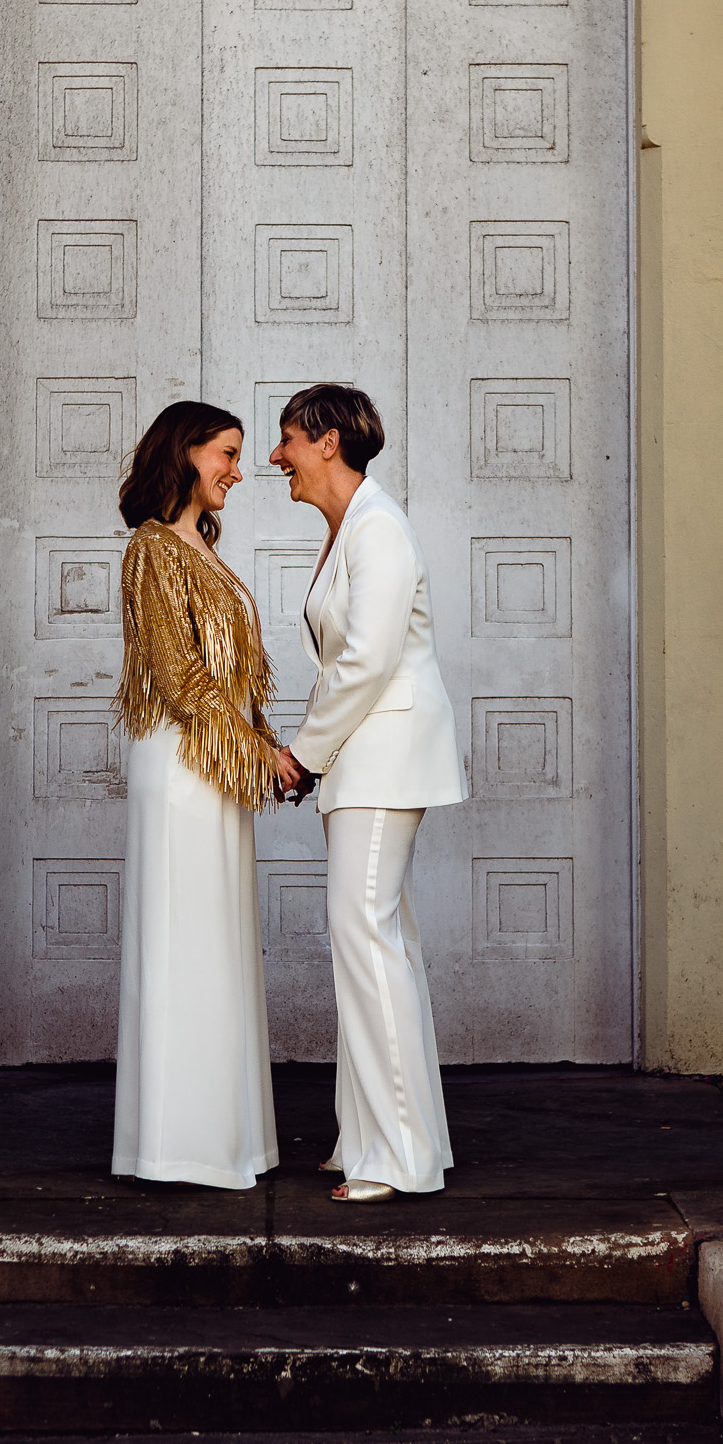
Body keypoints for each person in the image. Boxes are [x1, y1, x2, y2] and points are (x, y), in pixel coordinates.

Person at [271, 385, 467, 1203]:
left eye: (285, 439)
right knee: (380, 944)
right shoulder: (353, 526)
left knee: (367, 943)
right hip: (366, 762)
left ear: (324, 441)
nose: (274, 457)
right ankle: (376, 1135)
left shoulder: (378, 527)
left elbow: (366, 661)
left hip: (381, 761)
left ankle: (396, 1160)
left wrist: (300, 755)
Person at [112, 401, 302, 1190]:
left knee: (216, 946)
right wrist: (256, 751)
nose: (237, 468)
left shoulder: (201, 544)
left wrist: (265, 745)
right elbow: (181, 675)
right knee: (184, 945)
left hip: (213, 761)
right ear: (185, 454)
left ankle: (225, 1140)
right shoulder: (153, 549)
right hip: (183, 762)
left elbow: (230, 676)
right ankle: (178, 1146)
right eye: (225, 453)